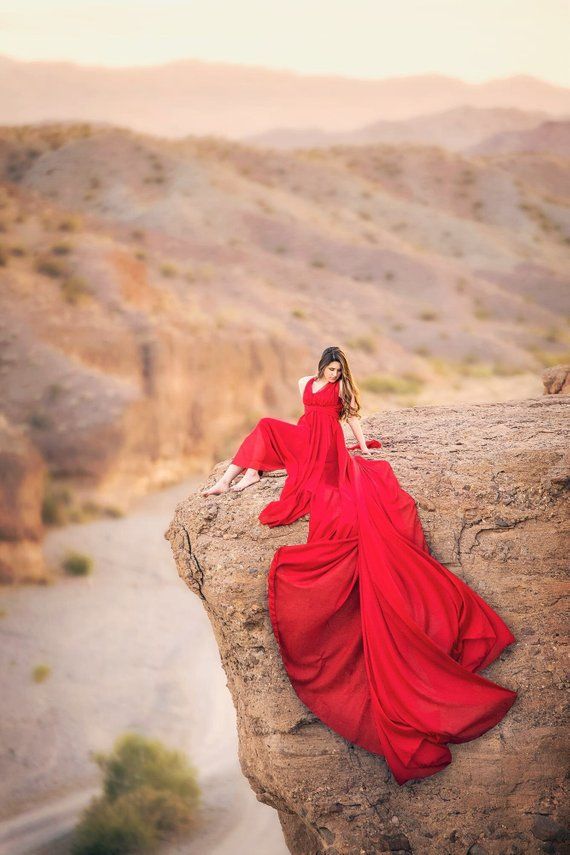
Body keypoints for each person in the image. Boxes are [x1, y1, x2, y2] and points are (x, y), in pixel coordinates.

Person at [201, 346, 518, 785]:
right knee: (267, 427)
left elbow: (351, 422)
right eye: (329, 370)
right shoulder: (304, 385)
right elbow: (306, 415)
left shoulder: (342, 390)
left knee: (339, 495)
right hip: (307, 441)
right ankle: (232, 479)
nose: (333, 375)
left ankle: (247, 473)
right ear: (319, 368)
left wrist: (364, 447)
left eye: (337, 371)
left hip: (329, 453)